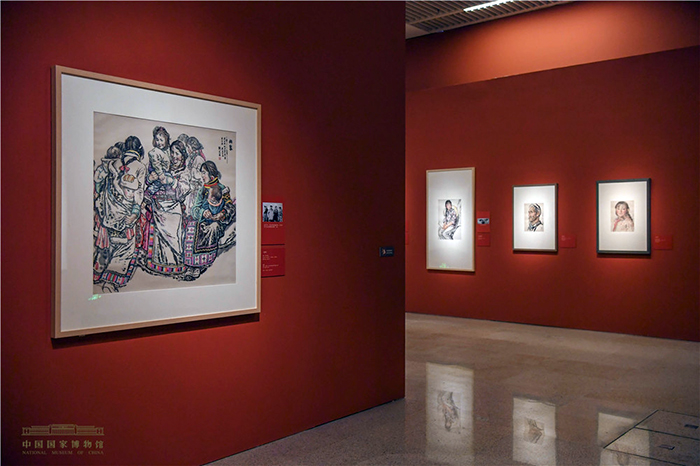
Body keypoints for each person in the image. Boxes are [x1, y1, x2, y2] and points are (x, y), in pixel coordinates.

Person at [93, 136, 147, 291]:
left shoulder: (112, 163)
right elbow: (139, 193)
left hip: (109, 214)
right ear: (139, 149)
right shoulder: (140, 167)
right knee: (124, 250)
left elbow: (100, 184)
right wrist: (135, 213)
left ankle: (97, 275)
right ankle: (110, 283)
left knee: (107, 246)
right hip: (126, 216)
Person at [142, 139, 191, 276]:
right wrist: (151, 179)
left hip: (173, 209)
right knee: (159, 240)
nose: (174, 156)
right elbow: (151, 183)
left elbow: (186, 188)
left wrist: (173, 181)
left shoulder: (185, 172)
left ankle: (176, 265)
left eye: (177, 153)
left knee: (173, 238)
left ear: (183, 155)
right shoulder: (165, 166)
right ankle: (158, 265)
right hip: (159, 207)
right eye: (172, 152)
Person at [184, 161, 235, 278]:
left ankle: (201, 263)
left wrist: (222, 214)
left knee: (213, 227)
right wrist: (203, 212)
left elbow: (230, 208)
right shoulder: (202, 190)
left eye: (204, 173)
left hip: (217, 222)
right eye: (201, 173)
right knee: (192, 227)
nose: (202, 176)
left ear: (211, 174)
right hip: (203, 220)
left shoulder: (223, 189)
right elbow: (195, 208)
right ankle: (191, 264)